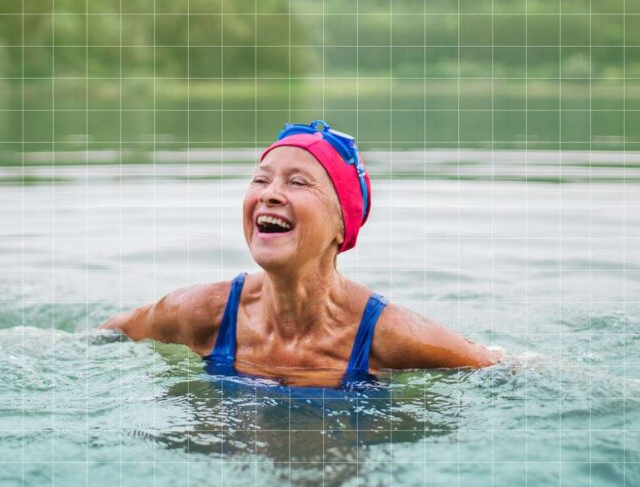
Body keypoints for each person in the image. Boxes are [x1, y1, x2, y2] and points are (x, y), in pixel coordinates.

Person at [100, 120, 501, 388]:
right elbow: (110, 335)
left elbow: (504, 368)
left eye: (298, 182)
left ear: (343, 225)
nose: (270, 193)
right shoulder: (202, 312)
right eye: (261, 179)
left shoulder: (389, 335)